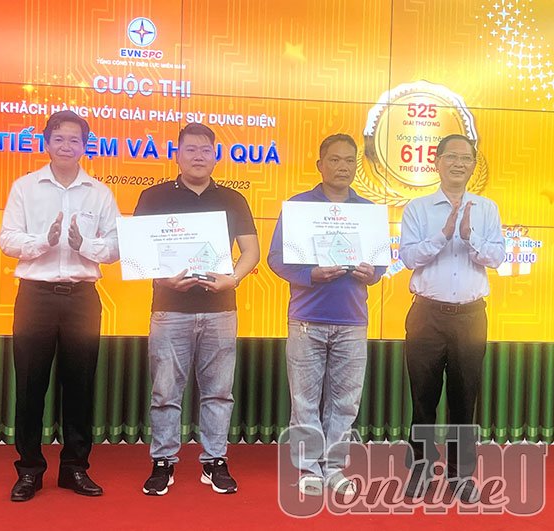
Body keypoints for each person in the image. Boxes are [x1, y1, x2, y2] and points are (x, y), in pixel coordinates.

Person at [0, 110, 120, 502]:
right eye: (59, 139)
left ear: (85, 146)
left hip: (82, 299)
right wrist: (45, 241)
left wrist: (85, 246)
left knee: (80, 387)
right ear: (46, 143)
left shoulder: (99, 193)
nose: (67, 146)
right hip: (34, 296)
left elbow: (116, 246)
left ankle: (75, 469)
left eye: (75, 140)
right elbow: (6, 239)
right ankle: (29, 471)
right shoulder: (25, 187)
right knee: (30, 385)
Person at [134, 123, 260, 496]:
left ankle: (214, 461)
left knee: (219, 392)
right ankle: (163, 462)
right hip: (169, 309)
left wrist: (233, 279)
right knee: (165, 392)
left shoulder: (233, 199)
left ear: (215, 156)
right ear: (177, 154)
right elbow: (138, 253)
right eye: (190, 149)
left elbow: (251, 251)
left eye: (206, 150)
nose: (198, 156)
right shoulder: (153, 197)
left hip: (220, 310)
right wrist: (162, 278)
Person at [267, 134, 384, 498]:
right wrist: (309, 275)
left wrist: (373, 273)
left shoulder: (368, 211)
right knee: (305, 400)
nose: (342, 167)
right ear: (320, 165)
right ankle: (308, 468)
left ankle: (333, 467)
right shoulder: (299, 207)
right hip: (307, 318)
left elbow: (380, 264)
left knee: (345, 402)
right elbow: (275, 259)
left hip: (352, 319)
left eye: (349, 160)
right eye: (334, 160)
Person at [399, 134, 505, 501]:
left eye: (466, 158)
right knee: (422, 400)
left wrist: (470, 237)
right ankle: (421, 471)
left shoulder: (486, 208)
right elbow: (408, 258)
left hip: (470, 318)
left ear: (473, 165)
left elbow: (497, 258)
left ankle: (461, 477)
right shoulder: (418, 208)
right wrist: (443, 236)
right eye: (452, 157)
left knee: (465, 399)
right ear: (437, 161)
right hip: (426, 316)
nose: (459, 163)